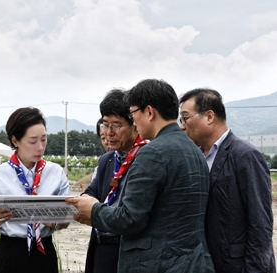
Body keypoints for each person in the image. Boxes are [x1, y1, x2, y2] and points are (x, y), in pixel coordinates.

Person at [67, 79, 215, 273]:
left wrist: (94, 209)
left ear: (149, 112)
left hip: (156, 264)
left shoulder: (152, 153)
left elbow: (130, 219)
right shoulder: (195, 150)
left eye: (133, 113)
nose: (134, 121)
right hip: (193, 263)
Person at [179, 89, 275, 273]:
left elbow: (260, 224)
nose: (182, 126)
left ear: (209, 116)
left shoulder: (245, 155)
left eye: (185, 118)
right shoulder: (197, 158)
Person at [0, 107, 70, 273]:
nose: (40, 147)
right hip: (11, 251)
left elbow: (66, 221)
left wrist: (55, 222)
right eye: (33, 141)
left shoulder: (56, 173)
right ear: (15, 141)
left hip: (44, 250)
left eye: (44, 139)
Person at [79, 89, 145, 273]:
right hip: (101, 245)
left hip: (129, 249)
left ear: (135, 125)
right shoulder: (107, 159)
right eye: (104, 125)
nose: (109, 132)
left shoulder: (146, 158)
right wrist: (82, 200)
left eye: (116, 125)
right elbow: (93, 191)